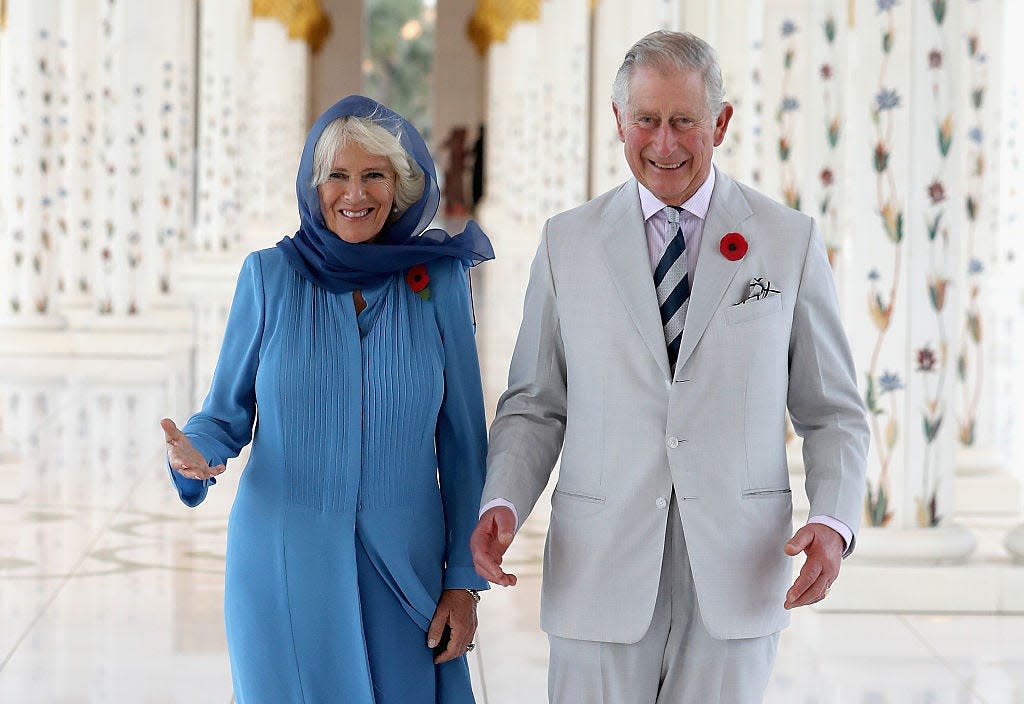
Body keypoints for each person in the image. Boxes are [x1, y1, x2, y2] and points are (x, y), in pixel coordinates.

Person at [470, 30, 869, 703]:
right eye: (648, 121)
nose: (664, 144)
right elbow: (536, 403)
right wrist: (504, 499)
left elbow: (833, 412)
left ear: (720, 121)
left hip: (737, 571)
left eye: (684, 121)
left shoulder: (788, 240)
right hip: (598, 567)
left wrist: (832, 520)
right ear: (620, 121)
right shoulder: (567, 242)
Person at [160, 95, 494, 704]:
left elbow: (467, 445)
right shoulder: (268, 276)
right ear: (314, 187)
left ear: (401, 186)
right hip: (284, 560)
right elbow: (223, 415)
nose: (354, 193)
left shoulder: (439, 281)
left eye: (374, 175)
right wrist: (194, 452)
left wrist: (464, 583)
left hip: (407, 568)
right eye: (337, 176)